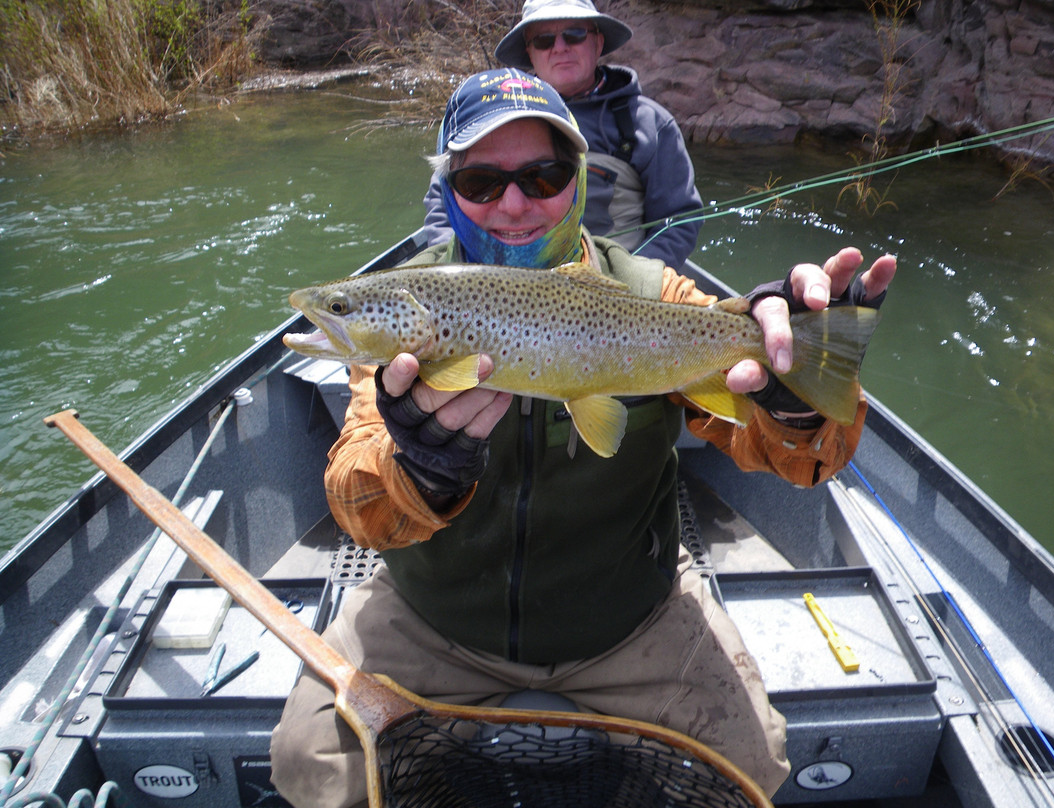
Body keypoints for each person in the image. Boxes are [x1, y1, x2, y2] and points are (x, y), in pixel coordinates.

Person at [270, 68, 896, 807]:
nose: (513, 204)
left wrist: (795, 401)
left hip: (630, 622)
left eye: (544, 175)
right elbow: (356, 505)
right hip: (435, 622)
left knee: (751, 764)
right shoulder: (408, 306)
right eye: (480, 181)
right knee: (309, 764)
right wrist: (420, 470)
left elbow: (800, 464)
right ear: (449, 189)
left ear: (578, 181)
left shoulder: (653, 291)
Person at [423, 0, 704, 269]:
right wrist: (464, 280)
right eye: (544, 40)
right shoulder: (482, 119)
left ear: (598, 42)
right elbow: (441, 210)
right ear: (529, 52)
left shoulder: (650, 123)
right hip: (494, 284)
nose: (559, 48)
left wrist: (628, 281)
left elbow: (678, 222)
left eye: (574, 35)